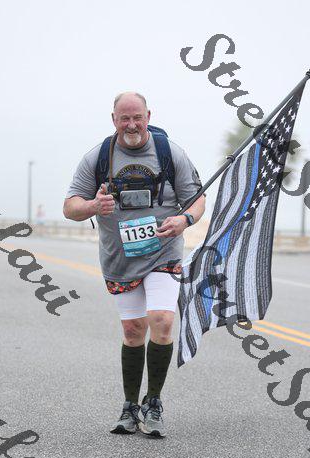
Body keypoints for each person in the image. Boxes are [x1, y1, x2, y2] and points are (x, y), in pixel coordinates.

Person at [63, 92, 205, 438]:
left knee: (162, 320)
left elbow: (197, 199)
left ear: (148, 116)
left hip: (163, 252)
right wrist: (93, 206)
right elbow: (70, 207)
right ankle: (130, 406)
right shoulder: (98, 157)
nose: (131, 125)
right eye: (124, 118)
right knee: (132, 330)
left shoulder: (170, 152)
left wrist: (184, 220)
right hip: (120, 258)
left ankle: (153, 402)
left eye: (137, 117)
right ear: (114, 119)